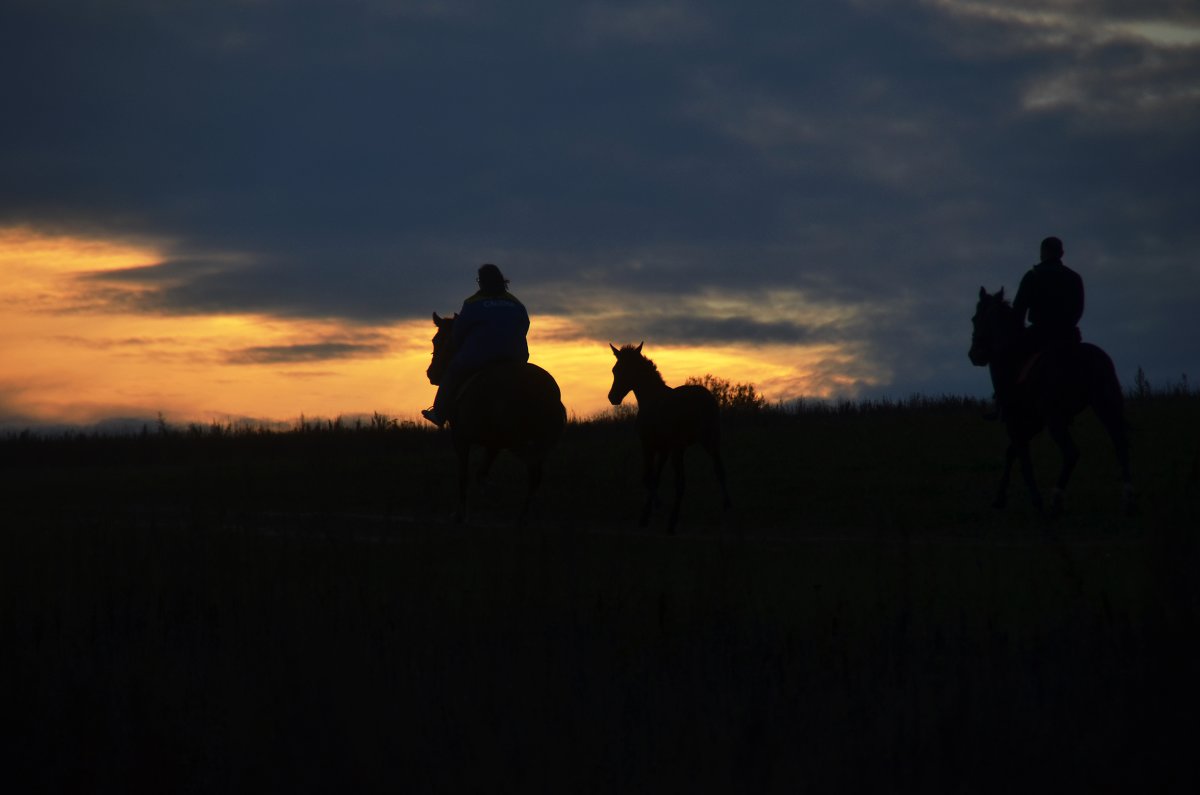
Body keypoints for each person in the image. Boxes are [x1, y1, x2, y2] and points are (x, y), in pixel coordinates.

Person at [422, 263, 530, 427]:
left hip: (479, 356)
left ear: (481, 282)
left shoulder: (472, 303)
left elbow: (458, 333)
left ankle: (439, 412)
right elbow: (525, 325)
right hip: (516, 355)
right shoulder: (516, 303)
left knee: (452, 372)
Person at [1012, 236, 1085, 351]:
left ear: (1042, 252)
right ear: (1062, 253)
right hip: (1068, 335)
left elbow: (1018, 310)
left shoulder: (1033, 275)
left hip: (1039, 336)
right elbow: (1078, 309)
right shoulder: (1074, 277)